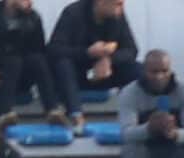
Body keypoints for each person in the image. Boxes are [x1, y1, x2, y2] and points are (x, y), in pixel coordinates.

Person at [45, 0, 137, 129]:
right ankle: (75, 115)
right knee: (63, 64)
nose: (121, 8)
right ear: (100, 2)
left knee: (136, 69)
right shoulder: (73, 13)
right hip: (75, 75)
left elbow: (131, 50)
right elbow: (54, 50)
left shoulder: (117, 15)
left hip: (104, 73)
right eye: (118, 4)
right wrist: (87, 52)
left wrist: (109, 60)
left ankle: (133, 116)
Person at [0, 0, 60, 123]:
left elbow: (39, 51)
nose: (30, 2)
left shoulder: (33, 17)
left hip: (19, 75)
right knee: (13, 60)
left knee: (36, 60)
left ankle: (52, 111)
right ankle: (5, 113)